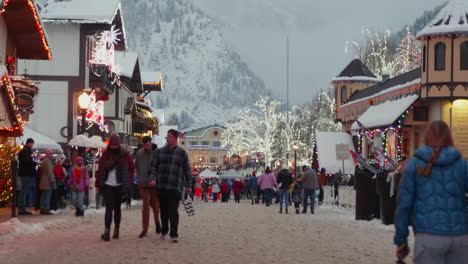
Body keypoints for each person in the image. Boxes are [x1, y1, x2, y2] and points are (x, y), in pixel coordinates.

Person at [394, 121, 468, 264]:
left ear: (426, 138)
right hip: (460, 237)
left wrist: (401, 240)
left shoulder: (414, 165)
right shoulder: (462, 165)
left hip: (428, 236)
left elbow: (404, 205)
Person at [149, 129, 192, 243]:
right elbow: (153, 166)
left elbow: (187, 170)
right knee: (163, 210)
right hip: (162, 185)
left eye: (169, 136)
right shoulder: (159, 152)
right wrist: (152, 178)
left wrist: (189, 185)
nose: (167, 138)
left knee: (173, 211)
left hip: (175, 186)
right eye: (167, 136)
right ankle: (164, 231)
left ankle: (174, 233)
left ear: (175, 138)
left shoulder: (182, 153)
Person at [99, 134, 131, 241]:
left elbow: (126, 173)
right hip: (108, 185)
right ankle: (107, 231)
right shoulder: (105, 155)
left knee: (117, 209)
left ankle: (116, 229)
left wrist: (126, 188)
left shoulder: (123, 155)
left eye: (115, 145)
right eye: (112, 145)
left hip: (119, 185)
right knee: (109, 208)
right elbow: (101, 170)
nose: (113, 147)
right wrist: (100, 184)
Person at [135, 136, 161, 238]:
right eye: (145, 144)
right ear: (143, 144)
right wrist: (139, 177)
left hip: (154, 184)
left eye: (149, 144)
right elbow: (137, 166)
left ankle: (157, 222)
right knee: (145, 205)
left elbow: (159, 168)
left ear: (151, 143)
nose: (147, 146)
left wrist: (155, 179)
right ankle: (144, 229)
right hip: (143, 184)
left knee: (155, 205)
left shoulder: (157, 153)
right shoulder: (139, 154)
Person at [18, 138, 37, 215]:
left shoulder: (25, 150)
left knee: (24, 190)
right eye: (32, 143)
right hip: (26, 173)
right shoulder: (26, 150)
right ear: (29, 143)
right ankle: (22, 209)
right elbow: (27, 161)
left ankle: (22, 208)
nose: (32, 145)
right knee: (24, 191)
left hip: (25, 172)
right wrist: (33, 163)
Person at [39, 150, 56, 215]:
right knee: (47, 196)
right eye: (51, 154)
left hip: (43, 181)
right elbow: (50, 172)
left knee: (43, 196)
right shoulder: (48, 162)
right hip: (47, 181)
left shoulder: (43, 161)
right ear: (48, 154)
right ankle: (46, 209)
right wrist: (52, 180)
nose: (52, 155)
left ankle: (42, 208)